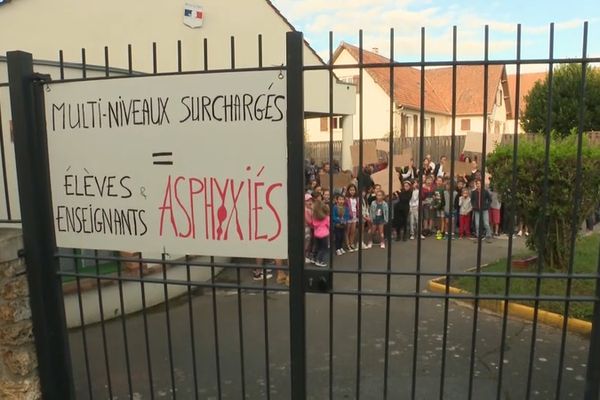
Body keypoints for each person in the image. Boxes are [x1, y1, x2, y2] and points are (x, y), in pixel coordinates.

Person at [312, 199, 330, 267]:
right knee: (323, 248)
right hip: (324, 235)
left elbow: (313, 224)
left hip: (316, 234)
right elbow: (328, 225)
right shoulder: (326, 218)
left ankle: (314, 258)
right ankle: (319, 260)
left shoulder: (314, 217)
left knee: (317, 247)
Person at [345, 184, 359, 252]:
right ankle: (347, 244)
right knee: (347, 231)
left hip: (354, 215)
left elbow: (357, 207)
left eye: (353, 190)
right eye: (351, 190)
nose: (352, 191)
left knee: (353, 231)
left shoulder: (356, 198)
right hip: (348, 216)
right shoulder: (346, 199)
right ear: (348, 191)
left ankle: (352, 243)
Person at [304, 193, 315, 263]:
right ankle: (304, 257)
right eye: (308, 200)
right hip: (306, 228)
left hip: (309, 228)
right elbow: (309, 221)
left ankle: (306, 255)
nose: (310, 202)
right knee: (306, 242)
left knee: (308, 242)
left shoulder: (310, 209)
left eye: (311, 200)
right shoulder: (305, 210)